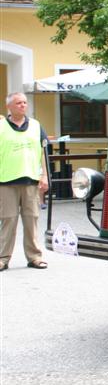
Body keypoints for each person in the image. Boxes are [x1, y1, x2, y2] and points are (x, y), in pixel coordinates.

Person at [1, 92, 49, 271]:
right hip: (6, 181)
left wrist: (44, 176)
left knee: (31, 220)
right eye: (18, 103)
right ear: (9, 107)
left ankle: (34, 257)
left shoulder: (36, 126)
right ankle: (3, 258)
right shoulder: (0, 126)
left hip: (30, 180)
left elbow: (43, 153)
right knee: (8, 220)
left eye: (24, 102)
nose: (23, 105)